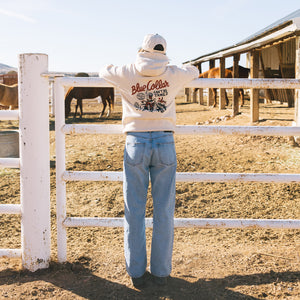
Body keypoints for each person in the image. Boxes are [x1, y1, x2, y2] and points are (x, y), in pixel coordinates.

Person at [99, 34, 199, 288]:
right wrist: (172, 68)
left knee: (134, 210)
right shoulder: (173, 73)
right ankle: (161, 271)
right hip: (165, 142)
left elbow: (104, 71)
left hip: (136, 143)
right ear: (164, 51)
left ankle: (136, 270)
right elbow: (194, 70)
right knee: (164, 210)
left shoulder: (127, 72)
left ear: (142, 49)